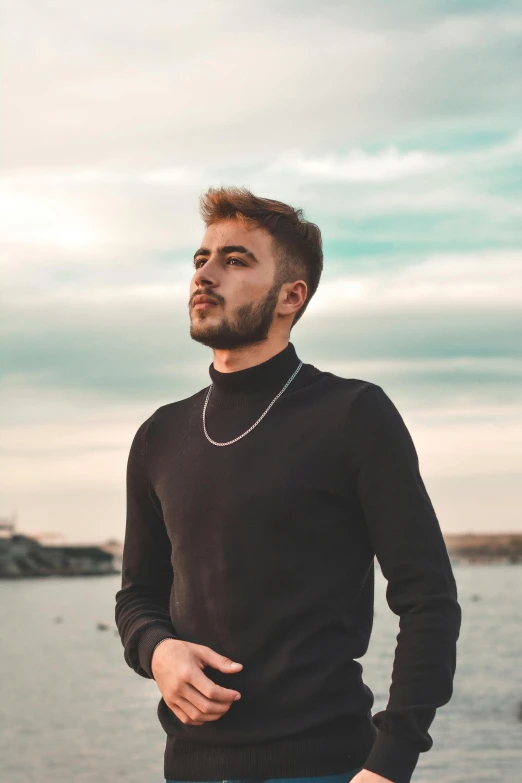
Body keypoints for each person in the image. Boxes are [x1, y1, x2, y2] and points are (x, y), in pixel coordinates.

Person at [115, 186, 462, 783]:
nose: (206, 274)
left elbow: (428, 598)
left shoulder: (353, 414)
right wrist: (158, 650)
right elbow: (138, 595)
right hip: (189, 769)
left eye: (235, 260)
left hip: (326, 766)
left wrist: (391, 763)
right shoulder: (159, 434)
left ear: (290, 295)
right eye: (201, 259)